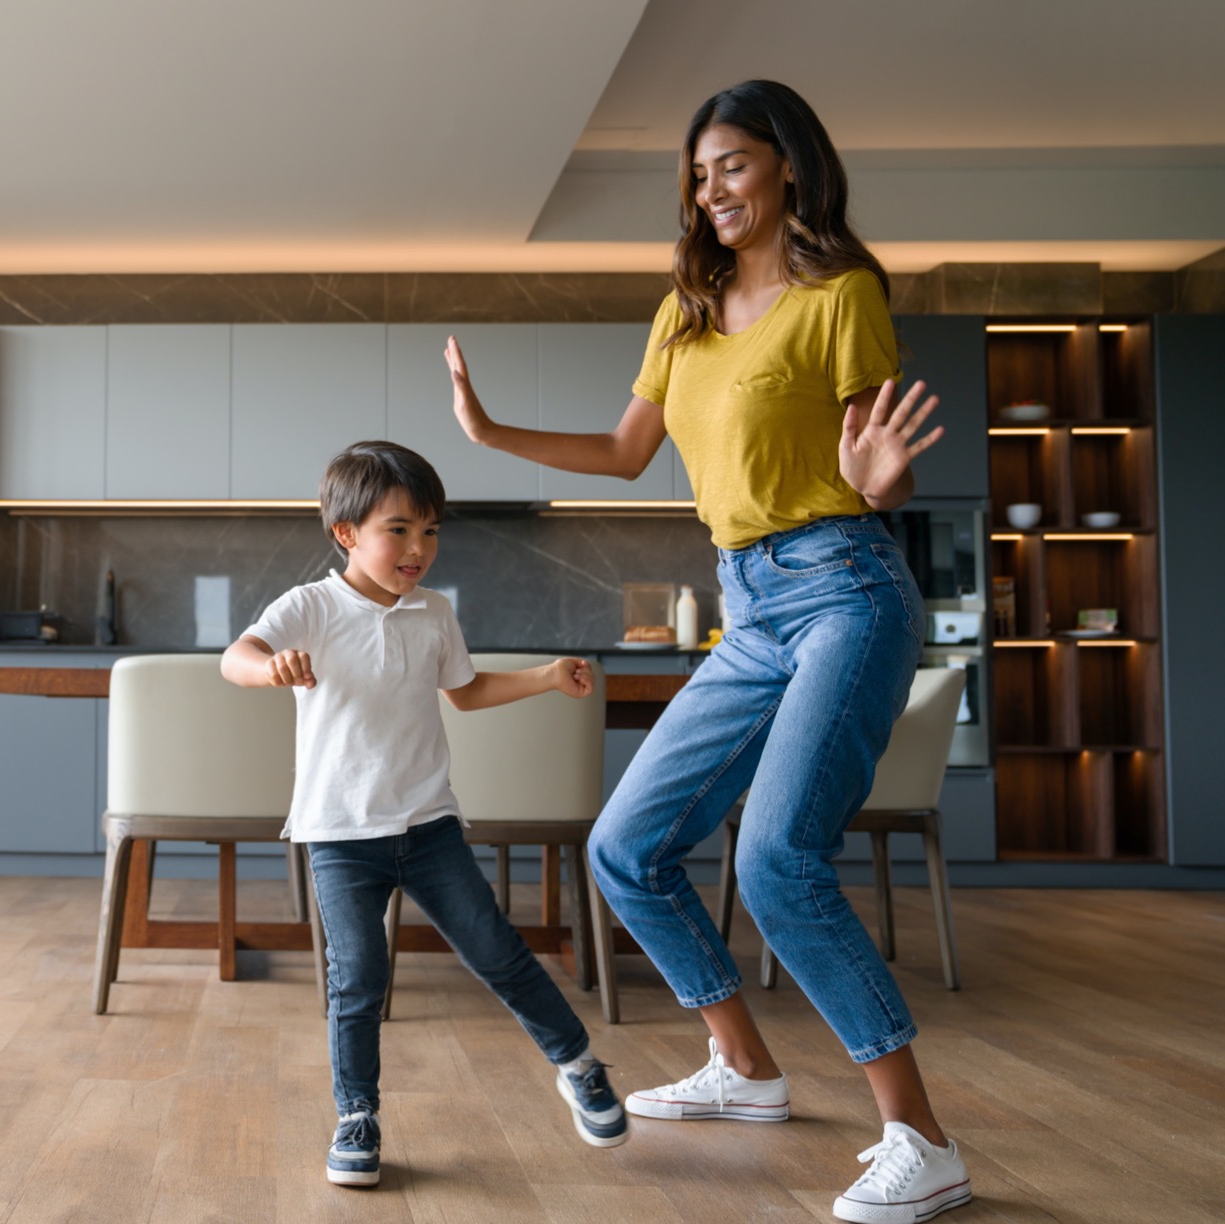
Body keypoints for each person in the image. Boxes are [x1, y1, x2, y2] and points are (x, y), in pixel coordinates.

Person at [444, 80, 969, 1224]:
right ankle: (744, 1067)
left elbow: (877, 457)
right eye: (697, 172)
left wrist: (889, 489)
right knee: (626, 847)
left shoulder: (840, 295)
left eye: (730, 163)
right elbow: (629, 450)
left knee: (777, 860)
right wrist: (490, 435)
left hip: (844, 585)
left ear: (785, 165)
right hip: (746, 602)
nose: (710, 188)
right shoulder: (683, 308)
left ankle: (920, 1138)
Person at [221, 440, 625, 1189]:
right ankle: (356, 1117)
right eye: (398, 529)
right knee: (359, 979)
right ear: (345, 533)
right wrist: (267, 666)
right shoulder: (311, 606)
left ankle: (578, 1064)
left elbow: (464, 692)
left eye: (431, 530)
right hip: (341, 836)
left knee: (498, 952)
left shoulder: (434, 612)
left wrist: (543, 676)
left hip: (429, 826)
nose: (418, 547)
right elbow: (236, 655)